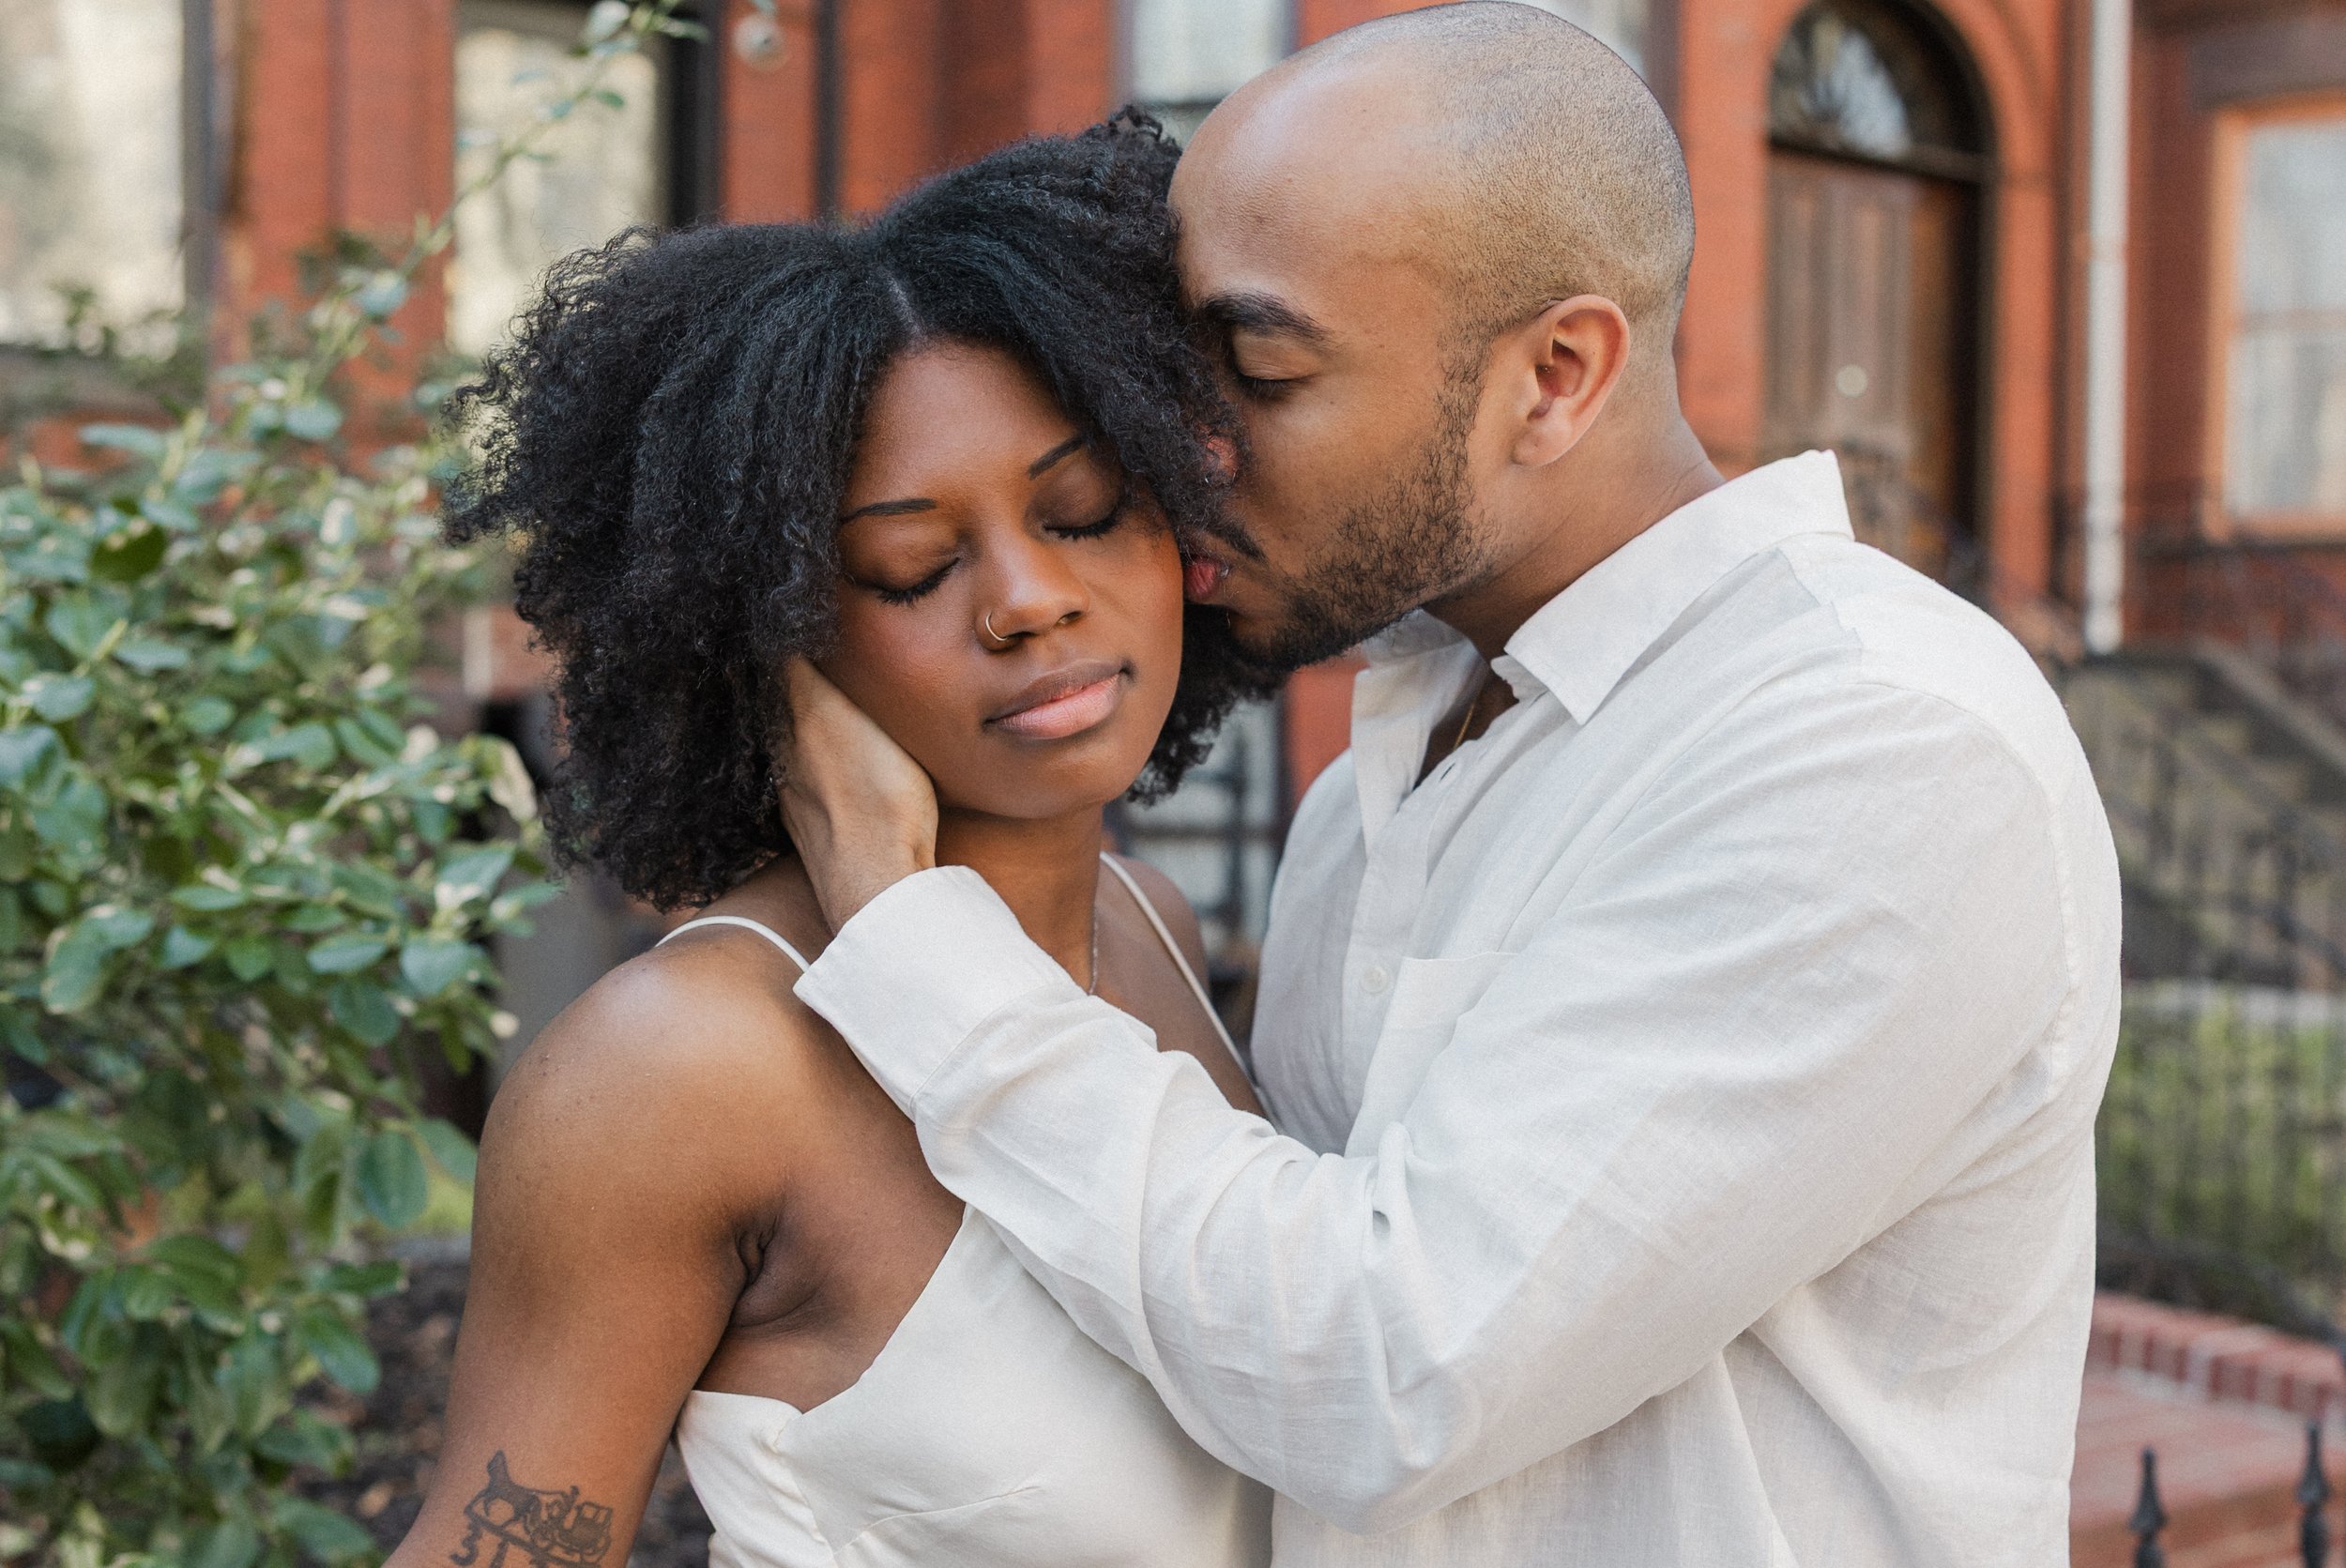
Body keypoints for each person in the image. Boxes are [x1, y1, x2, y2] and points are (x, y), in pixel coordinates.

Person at [773, 7, 2125, 1566]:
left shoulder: (1871, 740)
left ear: (1555, 375)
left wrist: (912, 932)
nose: (1180, 450)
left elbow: (1379, 1376)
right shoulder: (1393, 759)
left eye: (1260, 372)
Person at [384, 118, 1275, 1568]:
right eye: (913, 567)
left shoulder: (1152, 925)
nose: (1028, 601)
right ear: (768, 627)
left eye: (1083, 510)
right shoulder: (684, 1065)